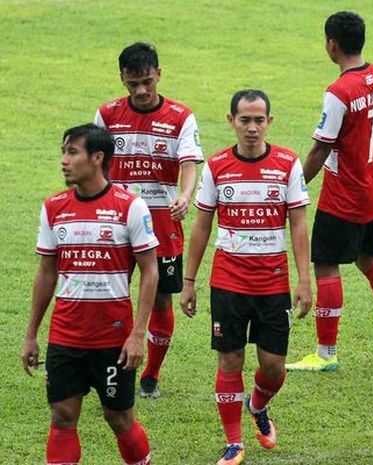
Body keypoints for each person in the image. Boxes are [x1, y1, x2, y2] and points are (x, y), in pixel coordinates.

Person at [180, 89, 312, 465]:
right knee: (230, 361)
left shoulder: (287, 163)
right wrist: (189, 282)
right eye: (244, 120)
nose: (252, 128)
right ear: (231, 121)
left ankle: (257, 404)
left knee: (273, 367)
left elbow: (299, 225)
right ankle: (234, 442)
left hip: (272, 284)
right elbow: (202, 225)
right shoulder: (217, 166)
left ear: (269, 122)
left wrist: (304, 280)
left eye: (259, 120)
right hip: (228, 283)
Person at [285, 10, 373, 372]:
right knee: (368, 259)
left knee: (327, 264)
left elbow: (319, 150)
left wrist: (291, 187)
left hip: (344, 192)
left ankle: (325, 354)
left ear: (332, 45)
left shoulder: (338, 92)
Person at [21, 124, 159, 465]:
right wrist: (31, 335)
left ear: (97, 158)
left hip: (113, 339)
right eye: (63, 152)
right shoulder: (53, 207)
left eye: (72, 153)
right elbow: (46, 272)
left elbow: (150, 270)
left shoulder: (131, 206)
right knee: (63, 416)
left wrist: (138, 334)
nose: (64, 161)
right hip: (66, 336)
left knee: (119, 419)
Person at [94, 41, 204, 398]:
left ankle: (151, 375)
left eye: (147, 82)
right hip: (114, 223)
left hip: (161, 225)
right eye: (132, 83)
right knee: (109, 298)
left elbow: (188, 163)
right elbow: (95, 167)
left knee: (159, 299)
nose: (141, 91)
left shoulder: (180, 117)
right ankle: (105, 371)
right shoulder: (107, 115)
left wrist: (185, 195)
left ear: (159, 74)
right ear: (122, 79)